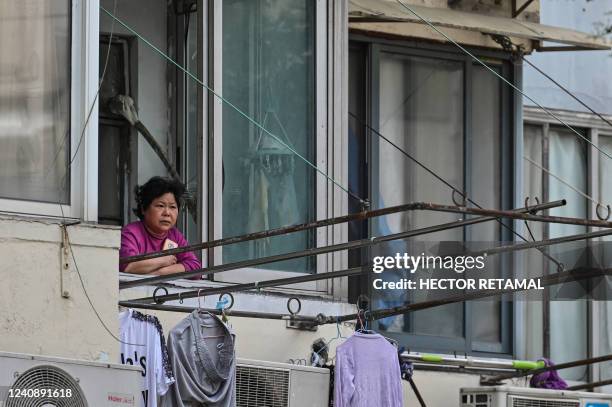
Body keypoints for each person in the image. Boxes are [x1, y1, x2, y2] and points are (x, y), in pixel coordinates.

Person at [119, 176, 201, 276]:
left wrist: (161, 272)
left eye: (172, 207)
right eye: (160, 206)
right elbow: (127, 266)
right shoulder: (131, 233)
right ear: (144, 209)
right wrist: (163, 261)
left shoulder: (174, 235)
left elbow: (196, 268)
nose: (167, 213)